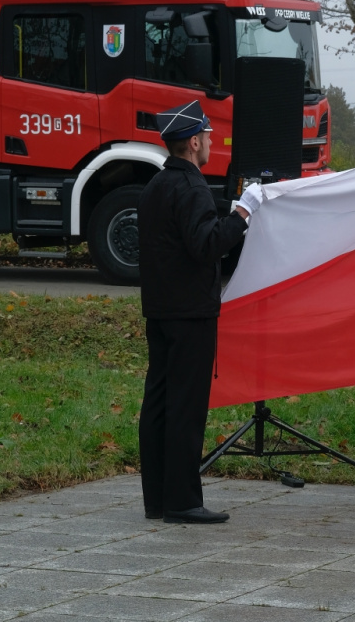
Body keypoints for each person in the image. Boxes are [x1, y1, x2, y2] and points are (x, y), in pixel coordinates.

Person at [137, 100, 264, 524]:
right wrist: (243, 212)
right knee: (186, 407)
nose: (211, 141)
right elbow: (206, 244)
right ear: (193, 142)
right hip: (190, 313)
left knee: (158, 403)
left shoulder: (156, 185)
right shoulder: (192, 187)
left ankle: (157, 499)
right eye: (207, 135)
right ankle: (183, 501)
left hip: (160, 309)